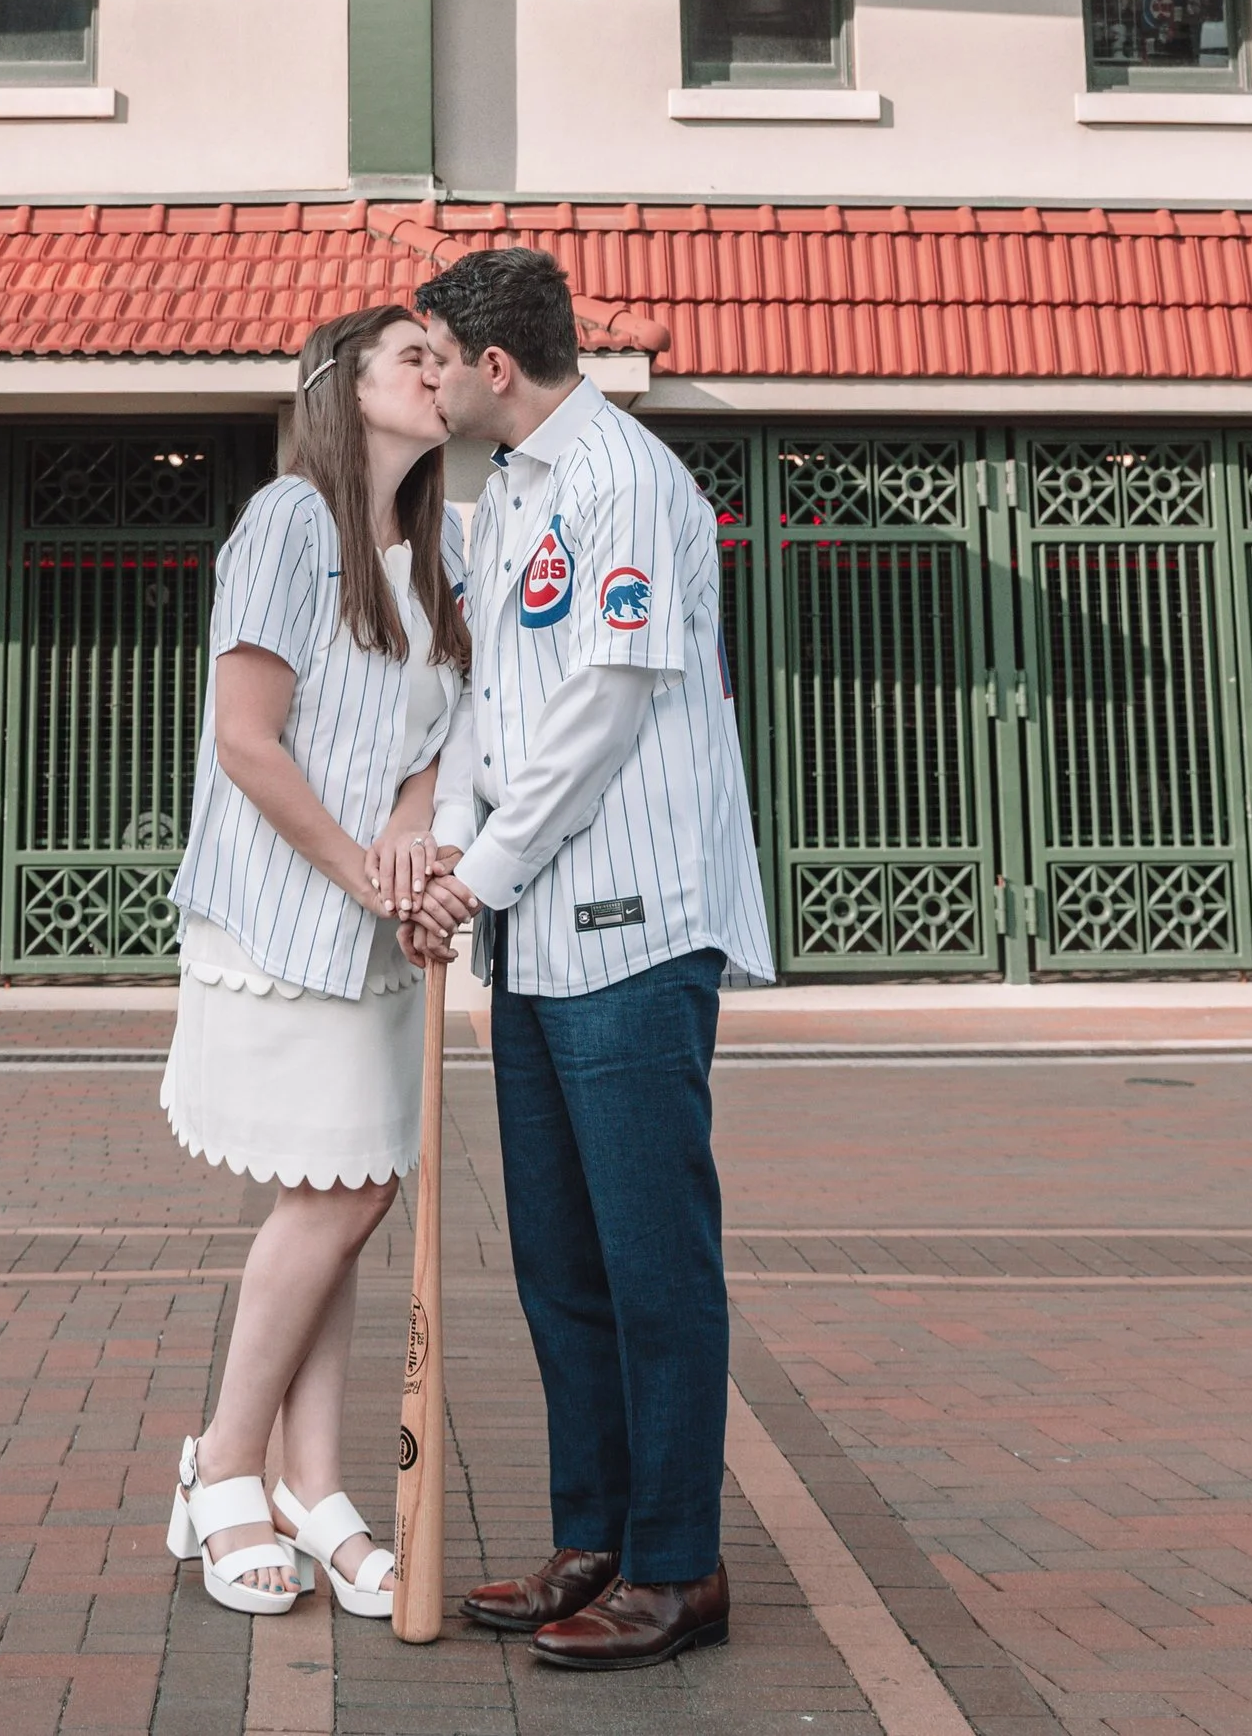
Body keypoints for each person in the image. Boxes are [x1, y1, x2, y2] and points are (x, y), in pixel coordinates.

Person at [404, 243, 772, 1673]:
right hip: (535, 941)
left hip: (633, 926)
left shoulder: (623, 477)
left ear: (498, 369)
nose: (428, 378)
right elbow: (492, 709)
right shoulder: (510, 499)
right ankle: (596, 1536)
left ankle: (678, 1566)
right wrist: (446, 853)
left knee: (652, 1258)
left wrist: (473, 873)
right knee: (562, 1259)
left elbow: (598, 717)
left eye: (437, 357)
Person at [159, 301, 469, 1622]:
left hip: (371, 928)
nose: (439, 373)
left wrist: (410, 850)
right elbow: (247, 737)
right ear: (344, 385)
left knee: (354, 1184)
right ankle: (221, 1461)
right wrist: (360, 871)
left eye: (449, 361)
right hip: (281, 920)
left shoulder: (434, 555)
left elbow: (427, 747)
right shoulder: (291, 519)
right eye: (416, 355)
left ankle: (313, 1482)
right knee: (336, 1196)